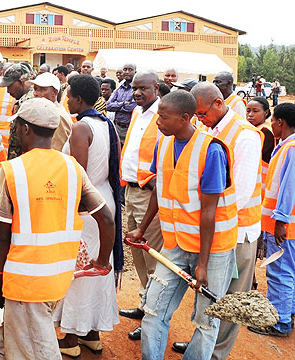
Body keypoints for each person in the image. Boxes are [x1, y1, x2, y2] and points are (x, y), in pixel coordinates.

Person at [0, 97, 115, 360]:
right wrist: (102, 261)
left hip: (25, 284)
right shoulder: (73, 168)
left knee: (39, 351)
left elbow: (1, 237)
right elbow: (107, 220)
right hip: (58, 279)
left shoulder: (13, 170)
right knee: (9, 343)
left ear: (24, 129)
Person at [129, 90, 237, 360]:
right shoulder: (163, 144)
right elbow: (159, 190)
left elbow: (209, 211)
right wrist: (142, 229)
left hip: (212, 251)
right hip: (175, 244)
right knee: (154, 309)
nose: (158, 122)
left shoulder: (211, 150)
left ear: (185, 118)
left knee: (207, 319)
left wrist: (202, 264)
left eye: (163, 117)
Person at [173, 82, 262, 359]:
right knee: (210, 296)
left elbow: (242, 194)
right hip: (217, 231)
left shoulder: (244, 136)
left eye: (201, 113)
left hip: (238, 233)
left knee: (229, 301)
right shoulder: (210, 130)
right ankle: (201, 346)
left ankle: (215, 354)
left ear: (218, 104)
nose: (199, 119)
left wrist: (209, 219)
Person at [54, 74, 121, 358]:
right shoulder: (107, 124)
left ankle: (70, 338)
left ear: (79, 99)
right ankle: (91, 334)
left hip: (87, 204)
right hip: (103, 198)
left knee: (81, 269)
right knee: (95, 268)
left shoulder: (82, 127)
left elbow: (78, 175)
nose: (66, 100)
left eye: (68, 96)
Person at [118, 71, 163, 340]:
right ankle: (144, 303)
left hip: (150, 195)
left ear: (156, 88)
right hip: (131, 191)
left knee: (152, 256)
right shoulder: (138, 113)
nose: (136, 93)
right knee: (137, 253)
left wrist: (154, 181)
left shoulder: (164, 113)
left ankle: (153, 315)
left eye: (142, 88)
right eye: (134, 88)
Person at [248, 103, 295, 337]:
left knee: (280, 273)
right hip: (286, 225)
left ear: (280, 123)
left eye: (273, 120)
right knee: (287, 270)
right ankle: (289, 311)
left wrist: (281, 220)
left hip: (284, 227)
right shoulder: (285, 146)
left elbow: (288, 187)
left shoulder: (291, 148)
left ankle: (280, 321)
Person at [246, 96, 276, 290]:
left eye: (255, 111)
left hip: (259, 194)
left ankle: (251, 281)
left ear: (266, 113)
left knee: (252, 241)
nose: (249, 115)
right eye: (248, 110)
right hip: (258, 192)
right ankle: (251, 279)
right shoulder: (257, 131)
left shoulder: (263, 132)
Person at [28, 72, 72, 151]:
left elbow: (55, 152)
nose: (36, 93)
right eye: (35, 89)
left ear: (54, 93)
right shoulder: (47, 112)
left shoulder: (57, 116)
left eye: (42, 89)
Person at [106, 63, 137, 146]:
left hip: (129, 127)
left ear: (135, 72)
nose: (127, 72)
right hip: (117, 126)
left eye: (130, 70)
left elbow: (131, 107)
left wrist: (116, 106)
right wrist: (123, 104)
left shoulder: (137, 88)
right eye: (125, 69)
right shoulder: (119, 88)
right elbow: (108, 105)